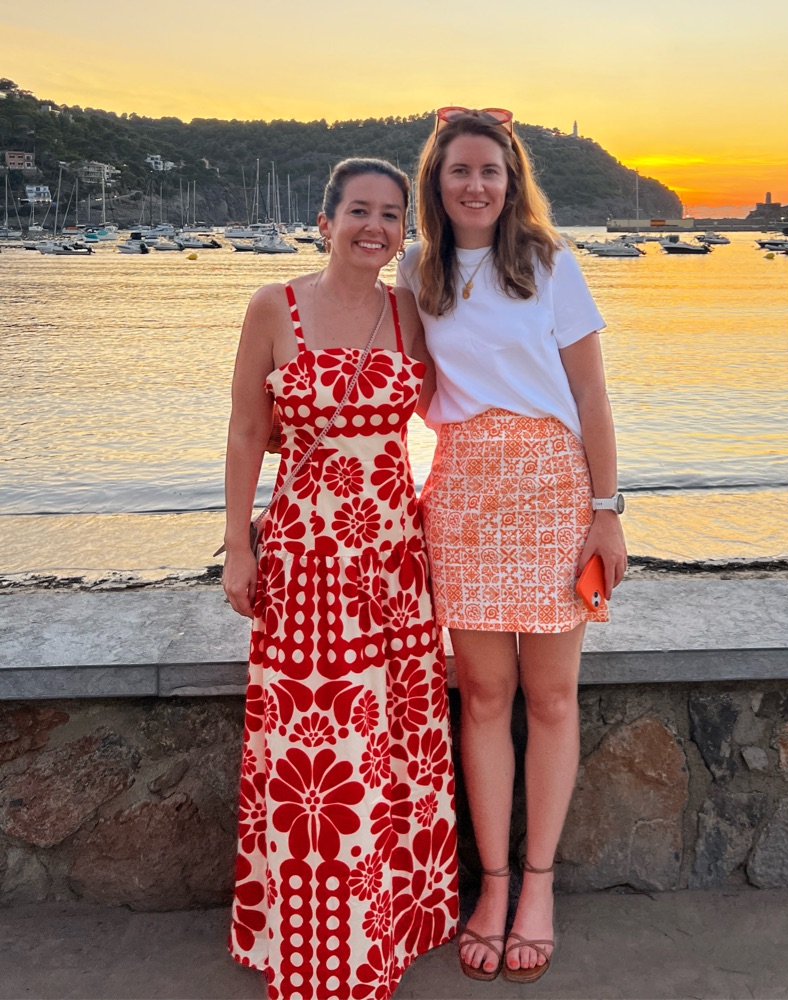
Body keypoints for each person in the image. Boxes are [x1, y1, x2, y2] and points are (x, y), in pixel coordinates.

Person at [396, 108, 627, 984]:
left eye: (490, 170)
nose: (475, 184)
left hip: (554, 487)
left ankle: (538, 886)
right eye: (459, 169)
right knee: (484, 695)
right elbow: (400, 378)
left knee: (552, 698)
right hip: (462, 490)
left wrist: (605, 511)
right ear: (436, 180)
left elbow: (592, 397)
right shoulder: (417, 269)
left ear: (511, 179)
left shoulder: (550, 261)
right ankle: (490, 886)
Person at [220, 158, 459, 999]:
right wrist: (238, 546)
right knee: (310, 745)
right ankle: (310, 935)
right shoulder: (273, 306)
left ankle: (388, 923)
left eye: (391, 215)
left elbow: (462, 397)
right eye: (359, 210)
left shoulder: (408, 312)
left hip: (393, 551)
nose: (375, 227)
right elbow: (246, 431)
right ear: (325, 222)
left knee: (395, 737)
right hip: (304, 553)